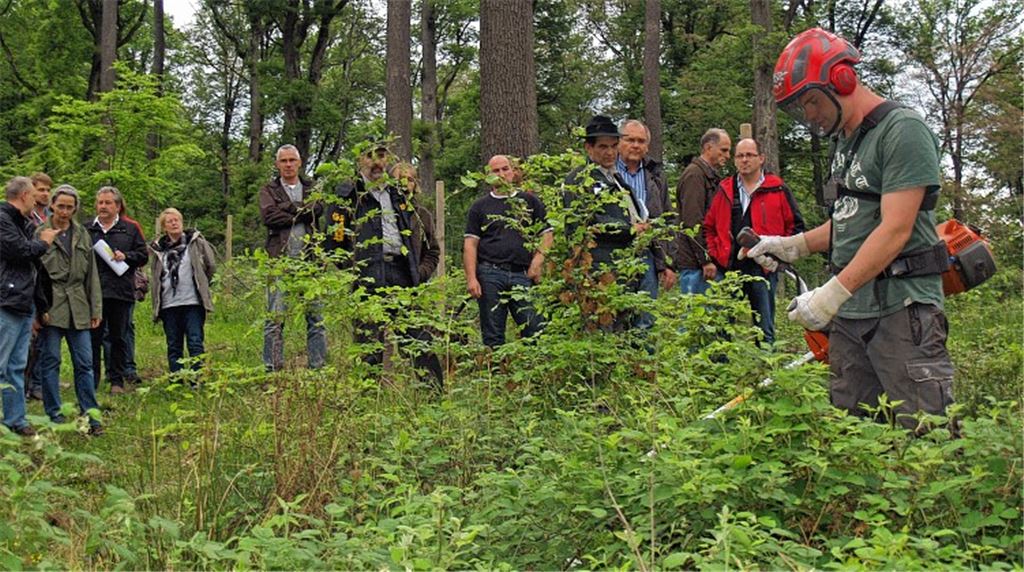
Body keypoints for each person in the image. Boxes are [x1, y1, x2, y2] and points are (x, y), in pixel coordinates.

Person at [746, 27, 954, 430]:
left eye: (810, 100)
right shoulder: (846, 142)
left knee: (923, 433)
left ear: (842, 79)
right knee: (853, 433)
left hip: (902, 309)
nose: (808, 114)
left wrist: (830, 295)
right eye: (799, 106)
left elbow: (894, 229)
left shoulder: (902, 131)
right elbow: (849, 220)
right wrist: (791, 246)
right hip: (852, 313)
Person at [325, 148, 443, 386]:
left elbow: (427, 244)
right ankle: (368, 403)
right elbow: (334, 243)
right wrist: (355, 271)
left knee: (418, 338)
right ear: (361, 160)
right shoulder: (348, 196)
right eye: (370, 157)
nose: (376, 163)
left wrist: (418, 273)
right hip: (368, 277)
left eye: (381, 157)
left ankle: (433, 396)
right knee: (369, 344)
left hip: (403, 274)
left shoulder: (398, 195)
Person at [703, 138, 805, 345]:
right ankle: (722, 371)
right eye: (740, 156)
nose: (744, 160)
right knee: (723, 325)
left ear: (761, 159)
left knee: (764, 326)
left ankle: (766, 370)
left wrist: (778, 254)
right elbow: (710, 227)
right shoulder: (725, 190)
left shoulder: (777, 189)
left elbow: (796, 226)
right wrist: (716, 254)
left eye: (749, 155)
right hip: (730, 267)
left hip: (763, 270)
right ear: (734, 160)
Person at [563, 115, 648, 331]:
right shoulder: (580, 180)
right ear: (588, 148)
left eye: (613, 146)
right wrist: (629, 230)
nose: (610, 152)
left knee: (624, 328)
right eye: (602, 146)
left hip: (624, 268)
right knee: (601, 328)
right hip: (597, 268)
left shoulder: (616, 179)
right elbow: (589, 222)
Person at [35, 185, 104, 435]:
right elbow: (33, 275)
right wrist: (36, 310)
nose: (64, 211)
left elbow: (92, 275)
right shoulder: (39, 233)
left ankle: (91, 417)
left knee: (85, 362)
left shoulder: (82, 233)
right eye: (60, 206)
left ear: (75, 208)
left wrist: (96, 308)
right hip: (50, 304)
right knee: (50, 361)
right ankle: (53, 416)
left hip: (79, 305)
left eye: (69, 207)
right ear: (52, 205)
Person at [464, 155, 552, 347]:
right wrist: (471, 278)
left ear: (513, 172)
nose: (501, 174)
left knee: (534, 331)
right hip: (490, 274)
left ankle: (532, 375)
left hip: (523, 274)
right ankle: (495, 374)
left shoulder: (529, 201)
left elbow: (547, 235)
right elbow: (470, 244)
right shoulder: (479, 207)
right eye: (496, 171)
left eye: (505, 169)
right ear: (488, 176)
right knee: (493, 336)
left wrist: (538, 261)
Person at [258, 144, 326, 372]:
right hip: (280, 262)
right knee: (275, 319)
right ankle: (273, 367)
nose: (288, 165)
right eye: (283, 161)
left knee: (316, 318)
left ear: (299, 162)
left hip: (310, 262)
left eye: (292, 160)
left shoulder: (312, 186)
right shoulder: (269, 189)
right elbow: (269, 216)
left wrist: (287, 209)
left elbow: (318, 208)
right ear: (277, 164)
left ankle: (318, 366)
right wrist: (300, 211)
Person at [0, 176, 57, 436]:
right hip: (6, 300)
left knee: (17, 365)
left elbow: (31, 267)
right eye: (34, 195)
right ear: (24, 195)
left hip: (23, 302)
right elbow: (20, 251)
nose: (38, 200)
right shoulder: (3, 219)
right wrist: (44, 241)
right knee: (2, 364)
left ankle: (16, 420)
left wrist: (40, 303)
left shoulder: (23, 222)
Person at [87, 186, 148, 395]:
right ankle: (91, 380)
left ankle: (117, 380)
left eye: (108, 203)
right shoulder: (87, 229)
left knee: (118, 337)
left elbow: (143, 255)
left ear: (118, 206)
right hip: (92, 294)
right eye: (100, 202)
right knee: (92, 339)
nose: (103, 206)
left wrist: (127, 256)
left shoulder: (130, 228)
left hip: (120, 292)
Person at [150, 208, 216, 377]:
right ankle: (176, 380)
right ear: (164, 227)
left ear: (182, 222)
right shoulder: (159, 250)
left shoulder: (196, 243)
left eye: (176, 220)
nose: (173, 223)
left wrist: (202, 285)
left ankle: (197, 379)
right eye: (169, 221)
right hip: (168, 304)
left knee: (195, 342)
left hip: (192, 302)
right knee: (173, 345)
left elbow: (210, 266)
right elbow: (156, 276)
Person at [617, 119, 677, 299]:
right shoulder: (608, 173)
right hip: (616, 254)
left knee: (646, 317)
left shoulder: (656, 175)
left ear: (647, 147)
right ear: (619, 142)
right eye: (630, 140)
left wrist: (668, 263)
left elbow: (668, 219)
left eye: (641, 141)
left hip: (648, 254)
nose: (635, 145)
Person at [674, 128, 731, 294]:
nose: (727, 156)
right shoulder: (694, 176)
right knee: (698, 316)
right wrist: (705, 259)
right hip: (697, 266)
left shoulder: (710, 177)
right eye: (724, 150)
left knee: (713, 316)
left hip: (708, 263)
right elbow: (693, 221)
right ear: (708, 148)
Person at [23, 172, 53, 401]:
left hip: (51, 283)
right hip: (29, 283)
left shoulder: (52, 217)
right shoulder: (25, 218)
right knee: (28, 337)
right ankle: (25, 384)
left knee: (45, 336)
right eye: (40, 189)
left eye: (47, 190)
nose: (44, 194)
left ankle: (40, 381)